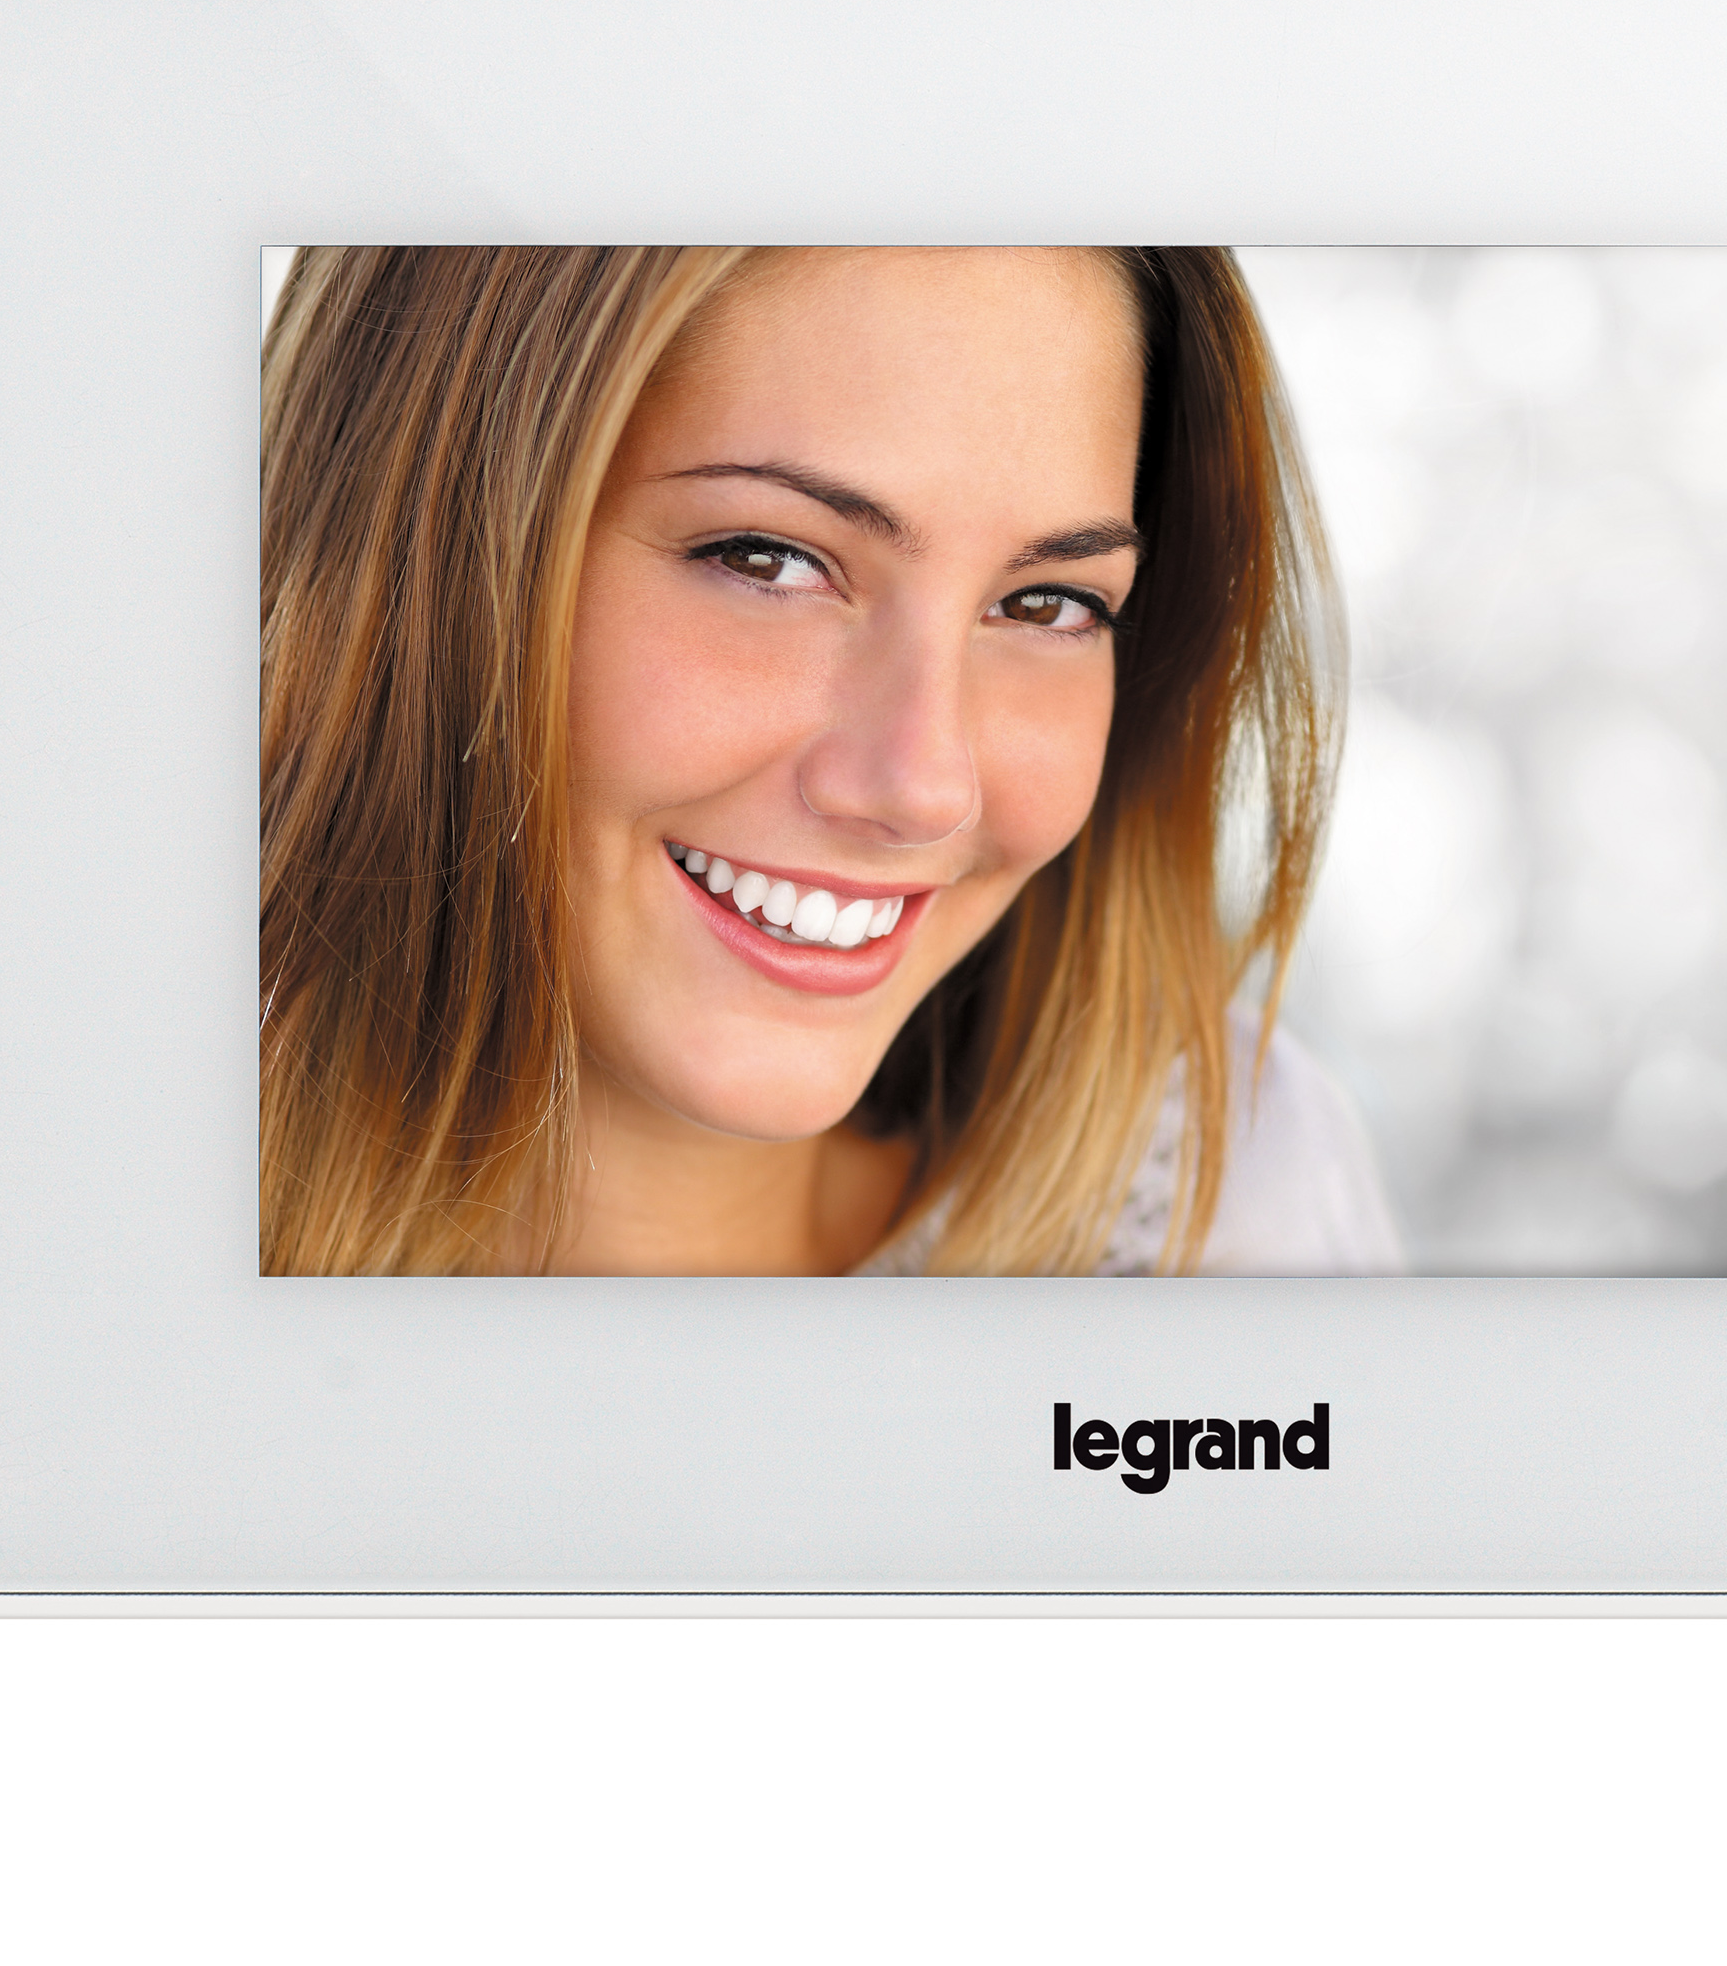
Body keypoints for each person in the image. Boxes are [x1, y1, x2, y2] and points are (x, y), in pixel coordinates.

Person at [259, 243, 1404, 1276]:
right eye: (767, 560)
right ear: (411, 558)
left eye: (1046, 603)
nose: (925, 787)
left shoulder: (1236, 1227)